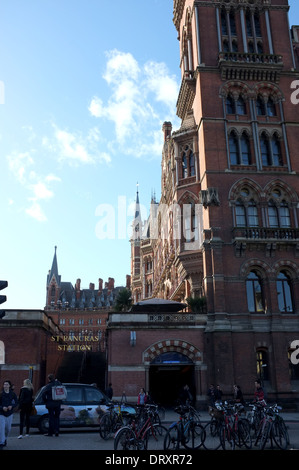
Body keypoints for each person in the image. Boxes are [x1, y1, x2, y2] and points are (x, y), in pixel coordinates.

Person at [0, 380, 18, 449]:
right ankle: (1, 443)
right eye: (4, 384)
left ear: (9, 386)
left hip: (9, 414)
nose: (5, 386)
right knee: (1, 428)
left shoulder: (12, 394)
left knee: (8, 429)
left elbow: (16, 402)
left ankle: (5, 439)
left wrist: (12, 406)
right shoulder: (1, 394)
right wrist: (2, 407)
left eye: (7, 384)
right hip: (1, 413)